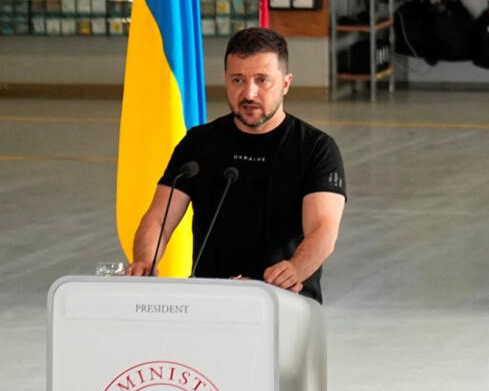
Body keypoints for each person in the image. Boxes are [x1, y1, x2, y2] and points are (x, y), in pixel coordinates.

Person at [126, 27, 347, 303]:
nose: (249, 93)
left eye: (262, 80)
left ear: (285, 83)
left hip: (285, 301)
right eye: (238, 80)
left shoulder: (315, 148)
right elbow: (159, 217)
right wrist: (146, 260)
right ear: (226, 81)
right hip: (211, 300)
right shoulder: (198, 144)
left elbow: (323, 230)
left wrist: (294, 270)